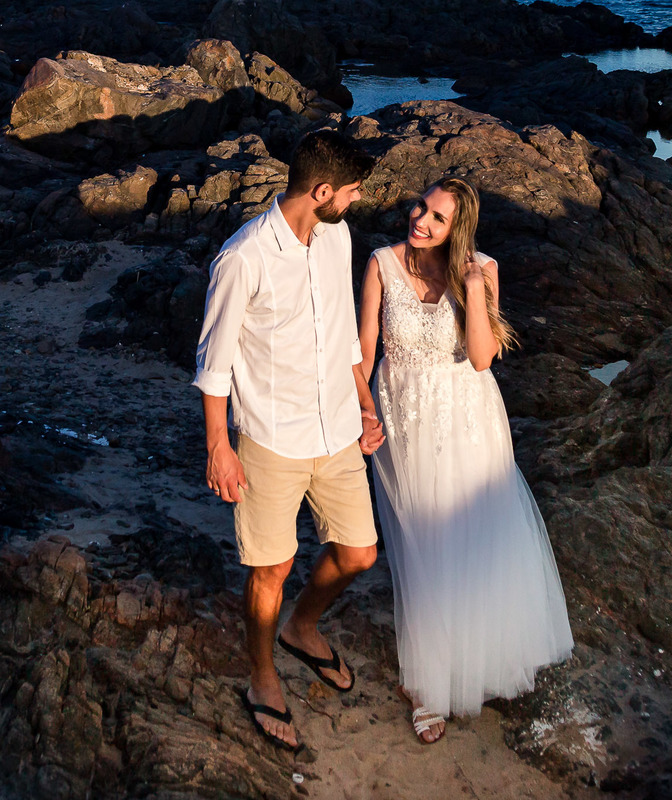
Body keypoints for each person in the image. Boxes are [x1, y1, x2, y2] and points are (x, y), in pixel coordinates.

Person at [356, 176, 573, 743]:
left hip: (468, 414)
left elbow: (481, 358)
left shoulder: (484, 270)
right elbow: (363, 351)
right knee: (421, 540)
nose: (421, 220)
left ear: (459, 229)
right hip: (404, 415)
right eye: (420, 207)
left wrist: (474, 287)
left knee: (473, 539)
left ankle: (474, 660)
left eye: (438, 218)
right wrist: (363, 411)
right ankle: (427, 685)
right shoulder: (381, 264)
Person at [194, 129, 381, 752]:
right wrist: (219, 447)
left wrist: (364, 402)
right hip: (271, 438)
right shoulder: (243, 257)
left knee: (359, 554)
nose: (356, 200)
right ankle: (262, 675)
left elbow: (344, 334)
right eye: (351, 190)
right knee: (270, 567)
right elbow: (214, 362)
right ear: (321, 191)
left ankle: (302, 627)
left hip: (338, 432)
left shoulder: (337, 237)